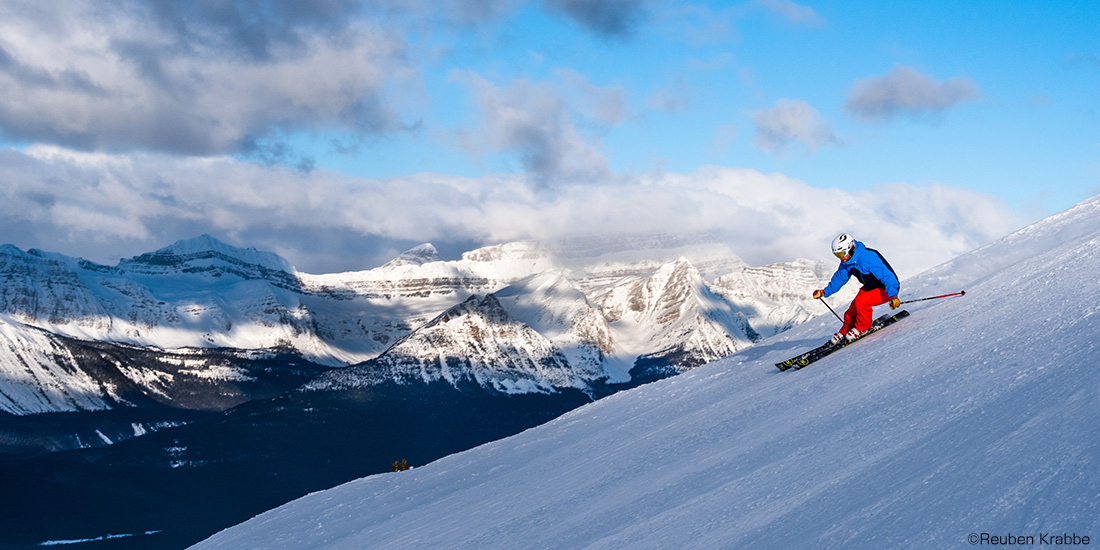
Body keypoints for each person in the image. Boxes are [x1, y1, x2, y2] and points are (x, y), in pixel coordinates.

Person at [812, 233, 902, 344]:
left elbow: (887, 276)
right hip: (870, 288)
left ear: (851, 248)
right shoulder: (847, 262)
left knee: (862, 302)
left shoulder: (867, 257)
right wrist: (824, 292)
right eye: (837, 255)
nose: (841, 258)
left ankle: (863, 328)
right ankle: (847, 329)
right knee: (852, 309)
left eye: (841, 254)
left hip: (886, 289)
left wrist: (892, 295)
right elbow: (840, 278)